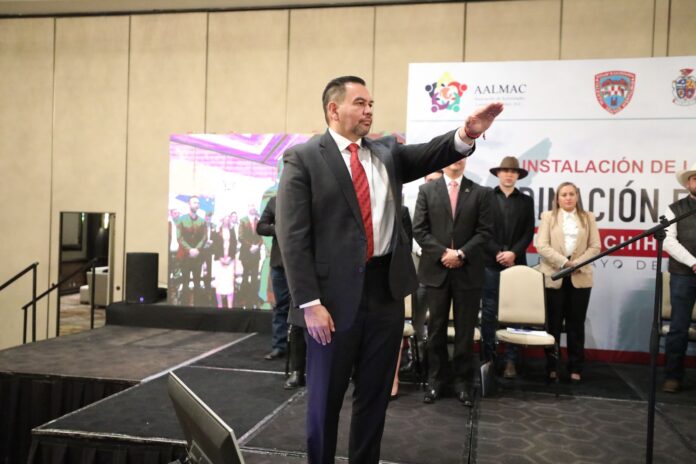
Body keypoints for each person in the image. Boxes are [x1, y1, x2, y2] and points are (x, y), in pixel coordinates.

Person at [276, 75, 502, 464]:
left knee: (375, 397)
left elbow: (431, 153)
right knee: (325, 401)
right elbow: (292, 236)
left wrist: (467, 133)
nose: (369, 111)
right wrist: (309, 302)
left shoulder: (386, 153)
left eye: (371, 105)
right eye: (360, 103)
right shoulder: (304, 158)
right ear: (334, 109)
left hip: (386, 293)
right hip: (330, 301)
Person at [413, 157, 493, 406]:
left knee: (465, 332)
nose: (456, 160)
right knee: (435, 330)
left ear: (467, 160)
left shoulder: (481, 193)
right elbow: (419, 229)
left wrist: (461, 254)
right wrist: (444, 253)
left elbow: (485, 231)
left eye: (461, 156)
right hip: (436, 271)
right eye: (452, 156)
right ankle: (435, 381)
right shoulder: (427, 190)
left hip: (468, 272)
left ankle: (463, 383)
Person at [536, 182, 601, 383]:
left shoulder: (588, 217)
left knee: (576, 325)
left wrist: (576, 264)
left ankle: (575, 367)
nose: (568, 197)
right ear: (557, 198)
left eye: (572, 194)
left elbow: (595, 246)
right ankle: (552, 366)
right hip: (554, 276)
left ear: (577, 196)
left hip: (580, 277)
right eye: (563, 194)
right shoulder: (548, 216)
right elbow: (542, 245)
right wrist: (565, 263)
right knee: (553, 325)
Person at [480, 156, 535, 378]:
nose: (509, 174)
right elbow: (482, 230)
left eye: (513, 171)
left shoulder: (526, 201)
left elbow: (528, 233)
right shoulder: (486, 198)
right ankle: (488, 358)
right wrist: (498, 253)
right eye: (505, 171)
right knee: (489, 311)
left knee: (515, 312)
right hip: (490, 263)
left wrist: (513, 253)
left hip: (517, 263)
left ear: (518, 176)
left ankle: (511, 360)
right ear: (498, 174)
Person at [662, 162, 696, 393]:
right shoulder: (675, 209)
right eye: (695, 178)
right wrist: (693, 262)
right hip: (683, 275)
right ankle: (673, 376)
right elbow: (668, 241)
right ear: (688, 183)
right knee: (678, 327)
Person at [256, 196, 289, 361]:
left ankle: (303, 348)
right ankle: (279, 346)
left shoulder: (308, 197)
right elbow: (261, 227)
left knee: (304, 307)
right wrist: (277, 229)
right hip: (279, 263)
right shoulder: (275, 201)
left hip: (303, 263)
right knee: (281, 306)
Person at [177, 196, 207, 306]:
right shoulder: (182, 219)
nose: (197, 204)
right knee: (185, 283)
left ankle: (197, 307)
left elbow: (204, 237)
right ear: (189, 204)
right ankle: (184, 307)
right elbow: (179, 237)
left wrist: (197, 249)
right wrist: (190, 250)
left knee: (197, 283)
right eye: (194, 202)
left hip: (198, 257)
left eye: (198, 203)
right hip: (185, 256)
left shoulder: (202, 221)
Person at [238, 205, 263, 308]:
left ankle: (253, 300)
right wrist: (251, 246)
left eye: (254, 206)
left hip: (256, 253)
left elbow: (262, 235)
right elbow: (240, 237)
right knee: (245, 276)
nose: (253, 208)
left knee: (254, 277)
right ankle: (243, 300)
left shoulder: (259, 221)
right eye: (251, 206)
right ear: (248, 208)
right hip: (246, 253)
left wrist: (257, 246)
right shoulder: (243, 220)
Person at [211, 213, 237, 308]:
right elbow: (214, 245)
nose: (227, 220)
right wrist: (220, 258)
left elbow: (234, 244)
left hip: (230, 261)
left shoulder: (232, 230)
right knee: (219, 283)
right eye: (225, 218)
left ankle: (230, 305)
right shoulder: (217, 230)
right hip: (219, 261)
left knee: (229, 282)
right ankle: (220, 305)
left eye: (228, 218)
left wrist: (230, 257)